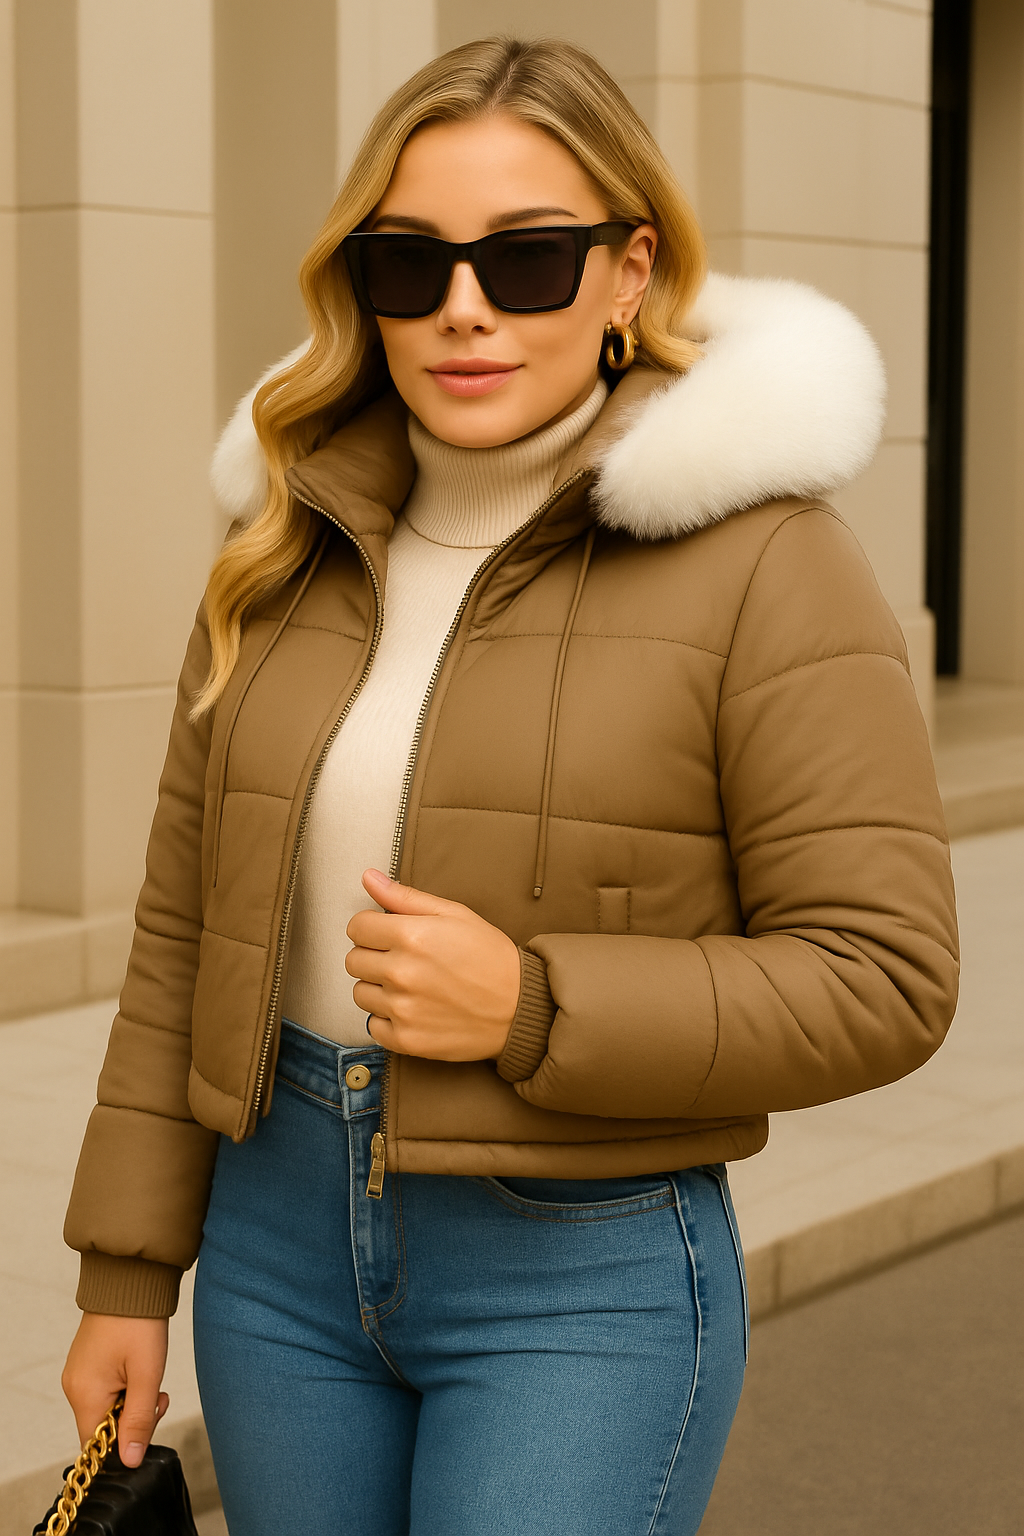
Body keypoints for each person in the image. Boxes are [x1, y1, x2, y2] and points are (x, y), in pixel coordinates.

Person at [59, 35, 959, 1536]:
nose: (462, 308)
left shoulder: (768, 559)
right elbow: (180, 941)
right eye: (410, 264)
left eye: (528, 259)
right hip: (274, 1252)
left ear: (629, 271)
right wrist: (127, 1273)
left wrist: (535, 1004)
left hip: (578, 1273)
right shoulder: (287, 543)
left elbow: (886, 973)